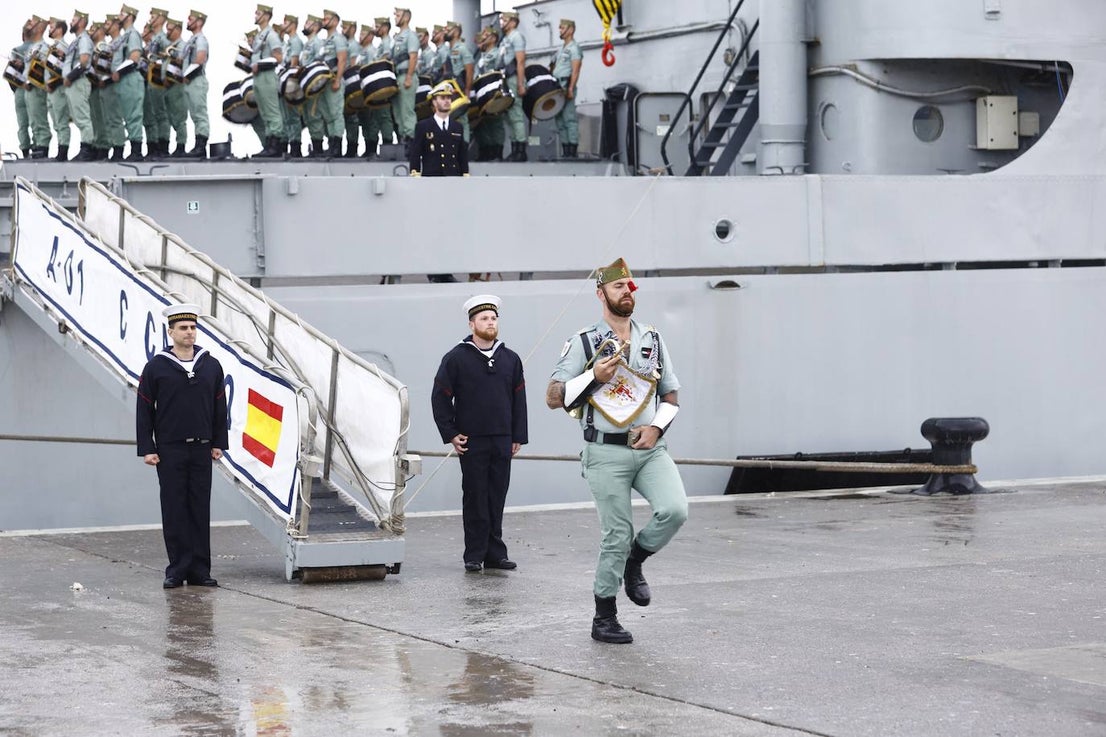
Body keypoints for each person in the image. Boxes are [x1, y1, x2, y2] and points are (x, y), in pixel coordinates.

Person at [546, 258, 689, 644]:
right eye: (618, 287)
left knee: (675, 510)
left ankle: (635, 560)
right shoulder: (584, 342)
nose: (626, 292)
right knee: (616, 532)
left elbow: (670, 395)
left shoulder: (652, 338)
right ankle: (604, 616)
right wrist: (595, 375)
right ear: (601, 294)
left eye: (630, 287)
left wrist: (656, 427)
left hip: (648, 449)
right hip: (604, 452)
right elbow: (553, 397)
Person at [432, 295, 528, 573]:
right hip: (472, 440)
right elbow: (440, 397)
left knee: (497, 495)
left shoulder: (510, 359)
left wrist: (517, 436)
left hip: (502, 439)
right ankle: (473, 554)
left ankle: (495, 554)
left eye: (493, 318)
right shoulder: (456, 359)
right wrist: (451, 433)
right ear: (472, 323)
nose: (490, 322)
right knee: (475, 495)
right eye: (484, 318)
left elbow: (518, 400)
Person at [136, 304, 229, 589]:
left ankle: (200, 570)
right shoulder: (156, 367)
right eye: (183, 328)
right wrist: (147, 447)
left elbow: (219, 407)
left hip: (202, 448)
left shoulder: (211, 365)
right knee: (175, 508)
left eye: (193, 328)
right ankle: (176, 569)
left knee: (200, 508)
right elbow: (144, 409)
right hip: (170, 449)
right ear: (171, 332)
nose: (190, 333)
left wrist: (218, 442)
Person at [409, 81, 468, 177]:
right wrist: (415, 172)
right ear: (434, 102)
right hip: (431, 179)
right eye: (442, 98)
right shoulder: (423, 126)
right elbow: (415, 153)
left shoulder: (457, 127)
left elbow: (462, 155)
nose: (447, 101)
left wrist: (465, 173)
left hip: (453, 178)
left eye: (449, 98)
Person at [250, 3, 284, 158]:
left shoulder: (271, 35)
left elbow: (278, 57)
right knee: (264, 112)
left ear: (266, 15)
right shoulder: (259, 36)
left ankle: (275, 146)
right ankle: (268, 144)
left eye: (258, 13)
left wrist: (260, 65)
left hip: (268, 76)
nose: (255, 15)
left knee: (272, 111)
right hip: (258, 78)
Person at [113, 5, 145, 160]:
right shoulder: (124, 36)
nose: (119, 16)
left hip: (130, 78)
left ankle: (136, 150)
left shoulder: (132, 34)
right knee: (127, 115)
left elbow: (134, 57)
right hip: (123, 81)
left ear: (130, 16)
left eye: (122, 14)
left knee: (133, 115)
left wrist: (118, 71)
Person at [177, 8, 209, 158]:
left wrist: (187, 75)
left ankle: (201, 146)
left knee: (199, 113)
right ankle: (197, 145)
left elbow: (200, 59)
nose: (188, 22)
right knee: (194, 114)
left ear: (199, 22)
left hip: (196, 80)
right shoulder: (191, 40)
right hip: (189, 81)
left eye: (191, 19)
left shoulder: (200, 39)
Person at [498, 10, 527, 162]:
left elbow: (520, 61)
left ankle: (521, 150)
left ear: (513, 22)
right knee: (509, 116)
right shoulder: (504, 40)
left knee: (516, 115)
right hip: (505, 79)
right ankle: (515, 149)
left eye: (505, 19)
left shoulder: (517, 37)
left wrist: (521, 84)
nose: (502, 22)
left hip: (514, 78)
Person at [318, 9, 347, 157]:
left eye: (327, 19)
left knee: (336, 114)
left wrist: (337, 79)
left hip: (334, 78)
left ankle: (337, 146)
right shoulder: (324, 41)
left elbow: (342, 59)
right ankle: (331, 144)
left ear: (335, 21)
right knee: (327, 115)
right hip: (324, 82)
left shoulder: (338, 39)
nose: (324, 21)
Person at [552, 18, 582, 158]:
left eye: (563, 27)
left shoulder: (574, 48)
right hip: (557, 86)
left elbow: (575, 70)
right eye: (559, 27)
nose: (560, 30)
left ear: (571, 29)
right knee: (559, 119)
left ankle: (572, 150)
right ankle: (565, 149)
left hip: (566, 85)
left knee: (569, 118)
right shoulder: (561, 49)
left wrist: (571, 88)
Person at [389, 6, 419, 145]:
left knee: (407, 110)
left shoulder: (410, 36)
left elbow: (413, 57)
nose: (395, 17)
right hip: (396, 77)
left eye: (398, 15)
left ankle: (411, 139)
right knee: (398, 111)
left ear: (406, 17)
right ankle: (403, 138)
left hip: (406, 75)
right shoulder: (396, 38)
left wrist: (408, 77)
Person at [46, 17, 72, 161]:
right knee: (56, 122)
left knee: (61, 120)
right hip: (51, 89)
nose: (50, 29)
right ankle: (60, 149)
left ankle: (63, 151)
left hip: (58, 87)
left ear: (60, 29)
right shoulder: (53, 47)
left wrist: (54, 83)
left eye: (52, 27)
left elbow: (64, 70)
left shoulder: (62, 47)